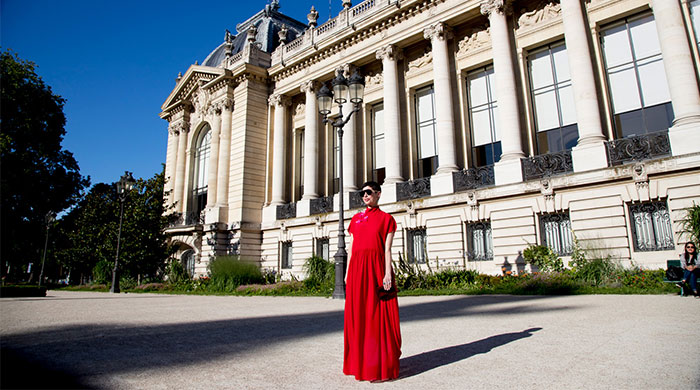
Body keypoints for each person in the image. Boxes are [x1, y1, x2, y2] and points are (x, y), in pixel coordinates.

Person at [343, 181, 402, 381]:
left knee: (376, 317)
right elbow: (351, 248)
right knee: (358, 316)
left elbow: (387, 250)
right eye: (362, 193)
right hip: (357, 272)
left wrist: (387, 274)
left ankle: (378, 365)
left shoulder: (387, 220)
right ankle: (359, 364)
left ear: (378, 194)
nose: (365, 196)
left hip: (376, 270)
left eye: (368, 192)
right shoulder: (355, 219)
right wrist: (346, 272)